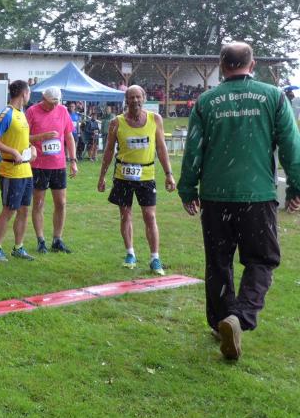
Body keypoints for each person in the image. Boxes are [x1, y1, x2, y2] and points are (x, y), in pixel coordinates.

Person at [178, 42, 300, 360]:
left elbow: (193, 150)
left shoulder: (206, 101)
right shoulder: (273, 97)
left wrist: (188, 188)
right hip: (256, 196)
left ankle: (222, 322)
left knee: (218, 263)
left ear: (221, 65)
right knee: (262, 260)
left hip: (215, 197)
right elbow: (291, 145)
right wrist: (296, 186)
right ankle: (240, 316)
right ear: (252, 64)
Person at [98, 85, 174, 275]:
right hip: (123, 175)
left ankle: (155, 258)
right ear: (126, 100)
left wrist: (169, 174)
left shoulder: (155, 119)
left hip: (147, 175)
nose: (135, 100)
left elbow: (161, 148)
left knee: (150, 216)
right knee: (125, 215)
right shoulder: (116, 122)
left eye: (138, 97)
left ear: (144, 98)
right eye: (131, 97)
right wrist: (102, 176)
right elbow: (108, 150)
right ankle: (130, 253)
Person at [26, 87, 78, 254]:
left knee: (61, 203)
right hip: (38, 165)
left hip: (58, 164)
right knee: (38, 203)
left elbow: (69, 136)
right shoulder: (32, 111)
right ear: (43, 98)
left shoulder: (63, 111)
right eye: (50, 103)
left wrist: (73, 160)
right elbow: (23, 137)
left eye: (56, 103)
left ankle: (57, 239)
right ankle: (41, 240)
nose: (53, 106)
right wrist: (42, 137)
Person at [0, 80, 37, 261]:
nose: (29, 96)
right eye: (29, 92)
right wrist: (12, 152)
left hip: (26, 170)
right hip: (11, 170)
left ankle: (18, 247)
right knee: (9, 210)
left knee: (24, 210)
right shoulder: (7, 113)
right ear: (24, 93)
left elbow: (21, 139)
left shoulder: (21, 114)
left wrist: (32, 148)